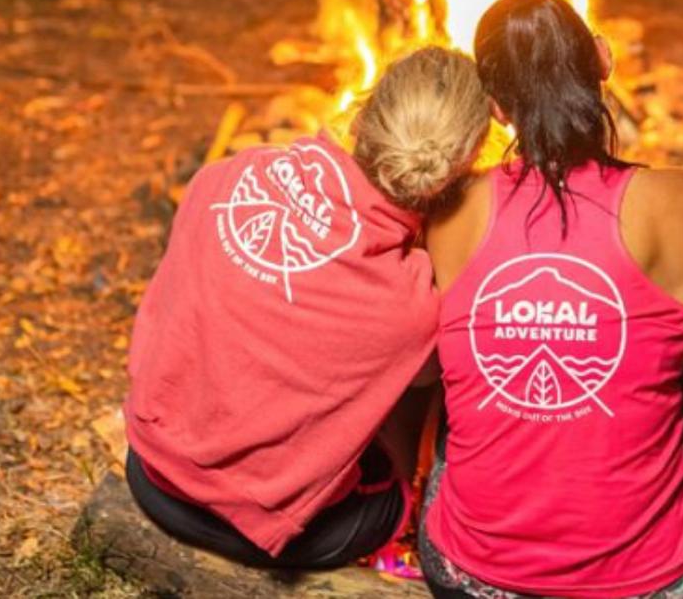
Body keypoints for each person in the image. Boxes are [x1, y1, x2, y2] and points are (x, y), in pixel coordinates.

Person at [418, 0, 683, 598]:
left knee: (456, 328)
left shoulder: (449, 209)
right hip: (652, 586)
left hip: (468, 576)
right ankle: (678, 512)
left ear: (495, 108)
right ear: (602, 59)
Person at [123, 47, 491, 569]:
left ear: (363, 111)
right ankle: (414, 511)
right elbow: (432, 369)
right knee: (421, 374)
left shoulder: (229, 174)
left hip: (152, 472)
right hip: (260, 527)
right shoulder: (407, 306)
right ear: (465, 164)